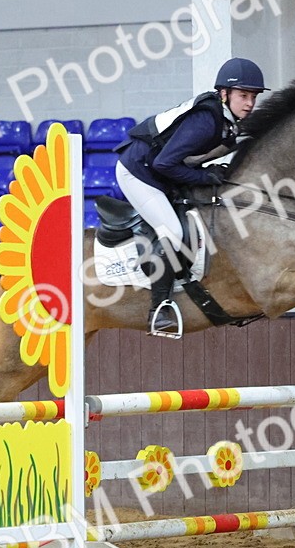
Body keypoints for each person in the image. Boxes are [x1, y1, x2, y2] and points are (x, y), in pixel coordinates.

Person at [115, 57, 269, 338]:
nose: (250, 103)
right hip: (139, 171)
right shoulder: (206, 120)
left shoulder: (228, 123)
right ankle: (159, 309)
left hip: (162, 170)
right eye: (243, 95)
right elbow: (165, 163)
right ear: (224, 94)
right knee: (172, 230)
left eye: (253, 97)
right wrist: (203, 177)